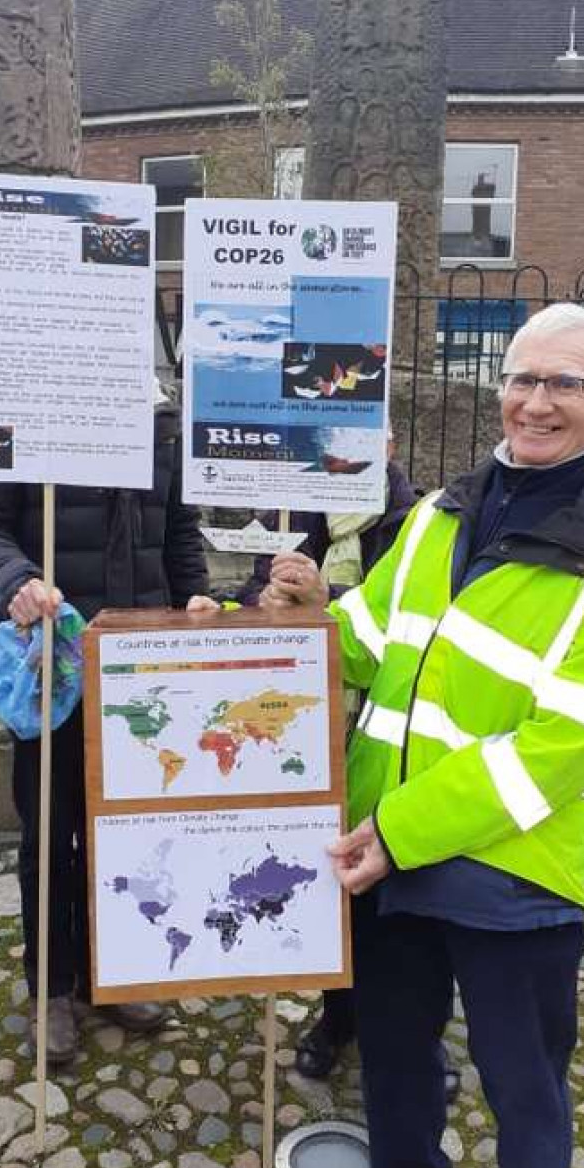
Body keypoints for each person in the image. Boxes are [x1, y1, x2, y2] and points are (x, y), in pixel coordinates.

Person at [258, 304, 584, 1168]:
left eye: (566, 383)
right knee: (398, 1085)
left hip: (507, 877)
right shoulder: (441, 516)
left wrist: (401, 830)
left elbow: (559, 752)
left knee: (524, 1094)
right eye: (523, 379)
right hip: (387, 860)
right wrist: (289, 625)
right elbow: (362, 642)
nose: (537, 402)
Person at [0, 380, 209, 1066]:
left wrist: (194, 601)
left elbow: (176, 528)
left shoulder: (160, 416)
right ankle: (52, 987)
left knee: (126, 832)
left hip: (142, 663)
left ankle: (112, 973)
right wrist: (15, 580)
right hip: (55, 668)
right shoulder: (8, 396)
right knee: (50, 831)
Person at [231, 449, 459, 1101]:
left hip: (387, 737)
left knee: (414, 895)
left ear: (388, 441)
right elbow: (253, 593)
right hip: (308, 723)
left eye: (365, 429)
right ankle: (337, 1019)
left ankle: (426, 1030)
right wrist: (270, 597)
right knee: (334, 882)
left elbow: (409, 624)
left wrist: (326, 598)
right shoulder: (289, 506)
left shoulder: (416, 520)